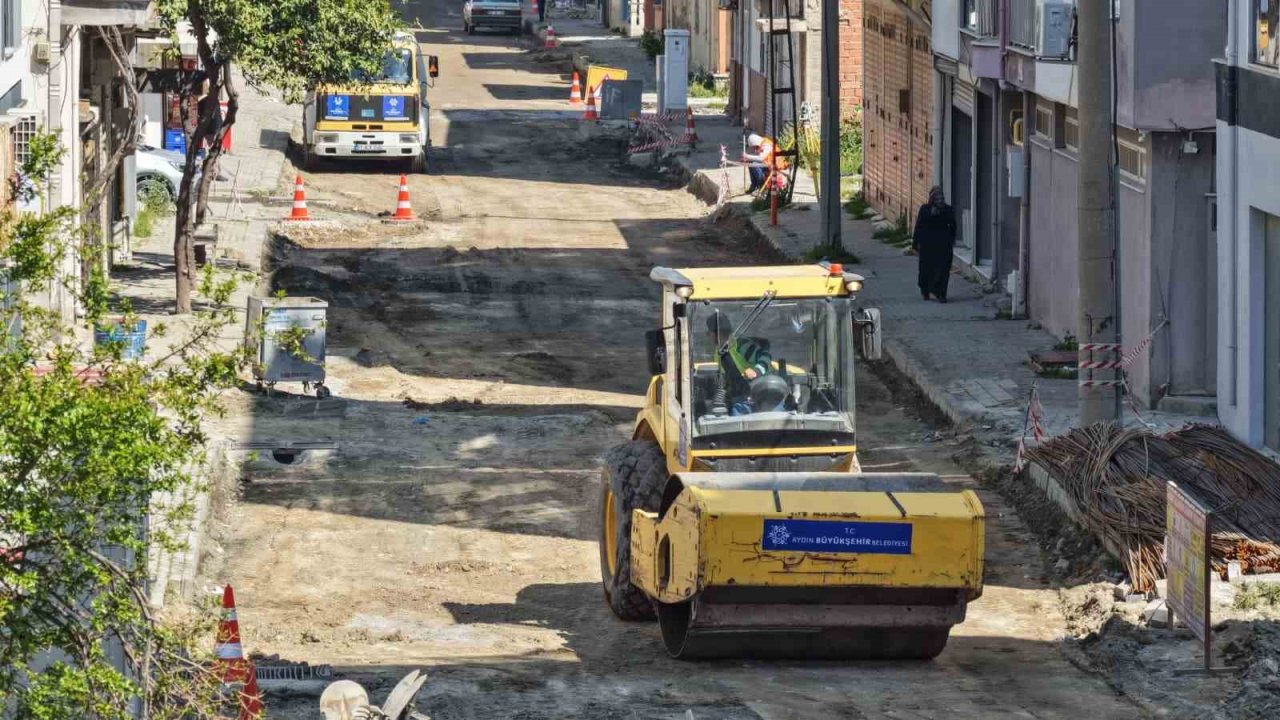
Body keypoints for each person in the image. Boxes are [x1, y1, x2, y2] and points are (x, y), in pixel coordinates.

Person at [706, 314, 772, 415]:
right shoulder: (718, 353)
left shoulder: (741, 345)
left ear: (717, 333)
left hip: (765, 392)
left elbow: (765, 356)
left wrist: (756, 371)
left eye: (708, 333)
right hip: (742, 396)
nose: (707, 336)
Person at [912, 186, 957, 303]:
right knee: (926, 269)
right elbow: (919, 226)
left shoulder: (947, 210)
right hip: (928, 245)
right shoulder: (925, 209)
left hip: (943, 244)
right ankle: (925, 291)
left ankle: (941, 293)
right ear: (931, 198)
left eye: (941, 197)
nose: (939, 200)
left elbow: (953, 225)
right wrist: (915, 243)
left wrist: (951, 241)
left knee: (943, 269)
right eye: (936, 198)